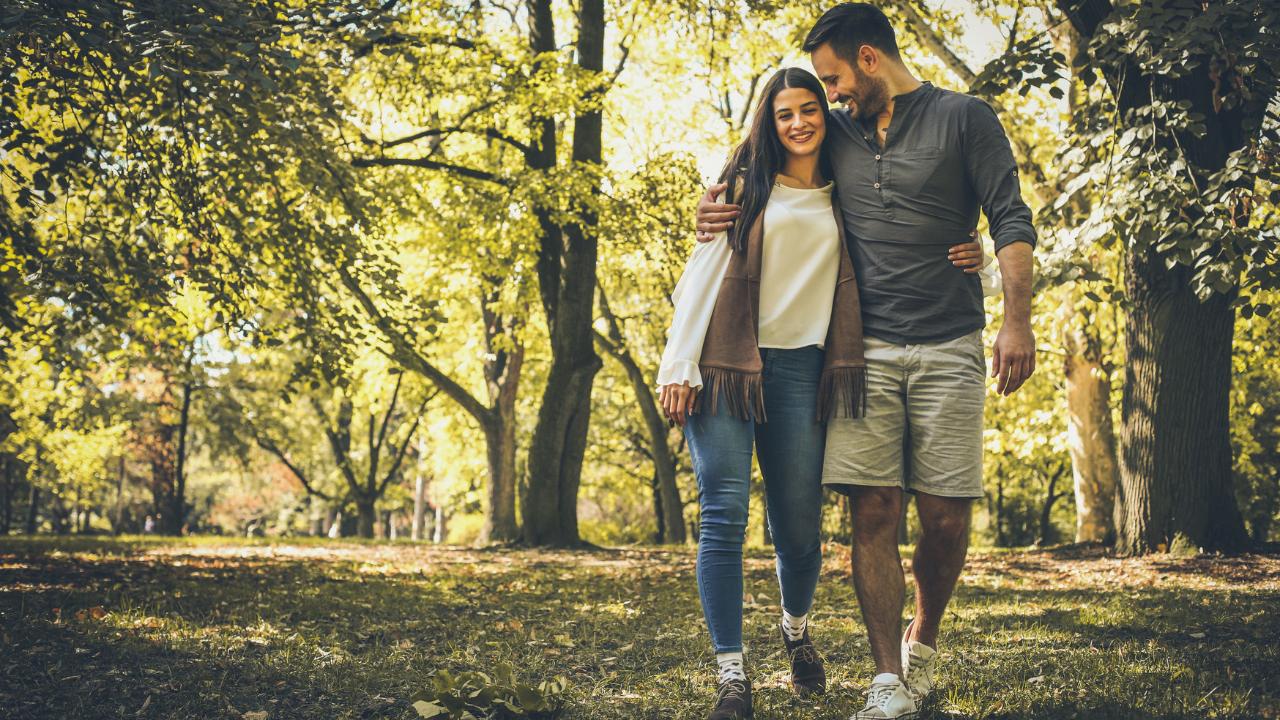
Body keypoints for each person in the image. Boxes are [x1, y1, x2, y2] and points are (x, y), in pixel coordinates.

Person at [696, 5, 1037, 719]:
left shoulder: (965, 118)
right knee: (872, 509)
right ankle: (887, 681)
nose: (830, 96)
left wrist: (1016, 321)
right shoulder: (835, 132)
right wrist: (711, 207)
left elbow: (1009, 217)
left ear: (870, 59)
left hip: (948, 342)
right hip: (858, 354)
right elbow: (763, 161)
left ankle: (924, 640)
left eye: (835, 79)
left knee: (944, 519)